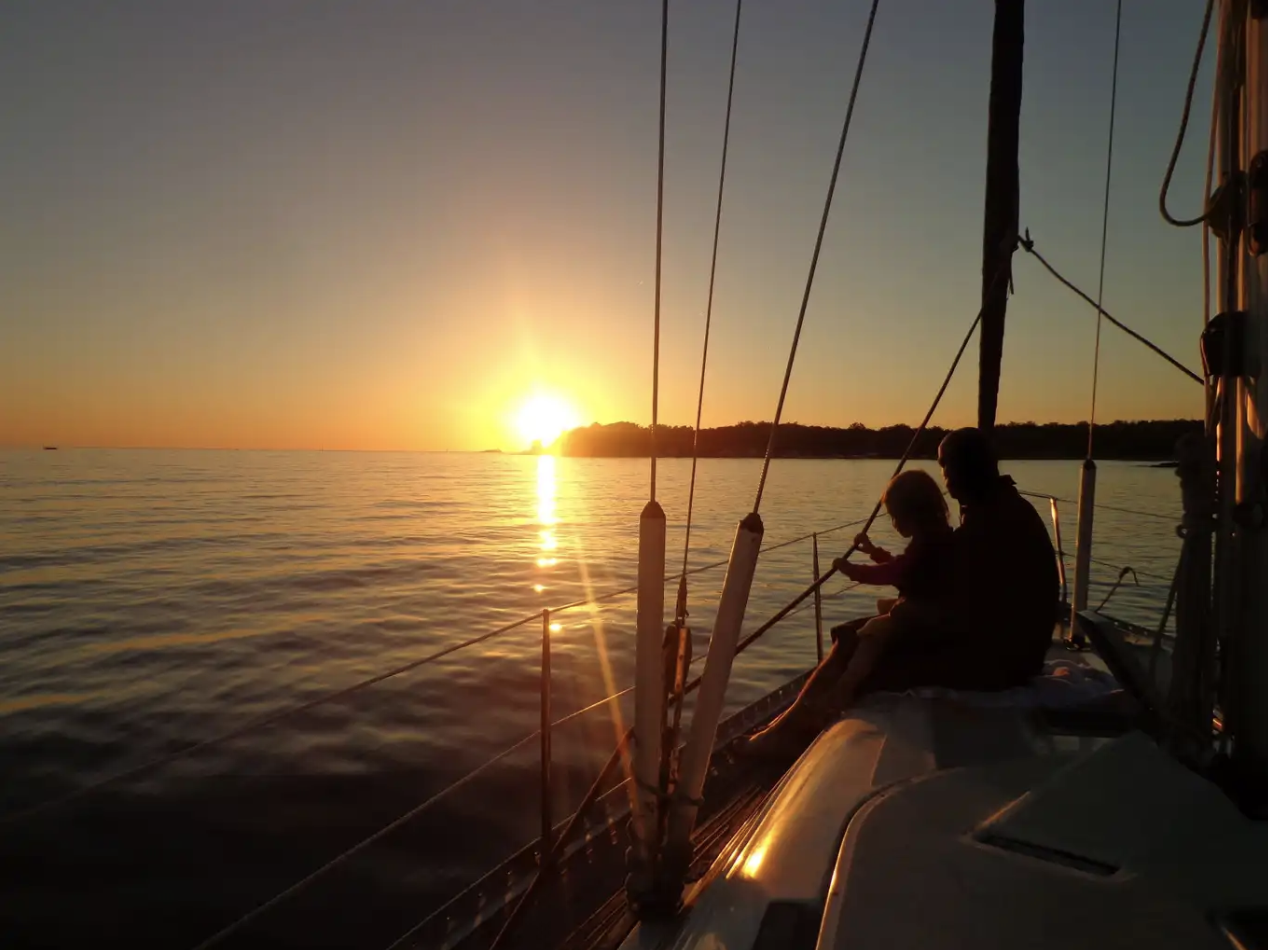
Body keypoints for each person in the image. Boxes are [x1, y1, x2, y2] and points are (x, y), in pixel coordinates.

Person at [743, 427, 1058, 756]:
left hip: (995, 662)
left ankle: (789, 732)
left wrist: (904, 613)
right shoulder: (1002, 510)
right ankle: (790, 725)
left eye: (946, 466)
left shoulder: (990, 524)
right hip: (1005, 650)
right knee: (858, 636)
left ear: (969, 465)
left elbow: (951, 596)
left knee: (860, 648)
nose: (945, 478)